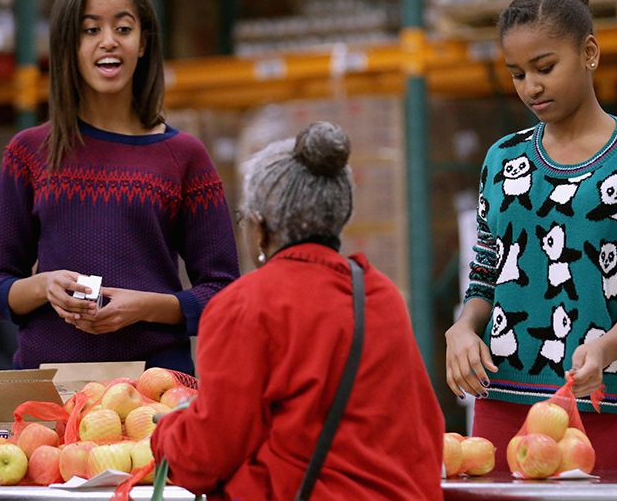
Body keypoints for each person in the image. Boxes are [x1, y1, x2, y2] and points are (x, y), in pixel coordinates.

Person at [445, 0, 617, 474]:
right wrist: (463, 327)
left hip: (609, 409)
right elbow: (487, 272)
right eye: (516, 73)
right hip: (502, 409)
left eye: (544, 67)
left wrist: (604, 347)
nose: (531, 86)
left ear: (590, 52)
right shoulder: (503, 159)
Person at [151, 122, 444, 500]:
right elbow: (422, 426)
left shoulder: (243, 305)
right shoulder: (379, 293)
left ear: (258, 228)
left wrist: (166, 433)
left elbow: (203, 456)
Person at [0, 0, 239, 373]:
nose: (108, 42)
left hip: (153, 391)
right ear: (68, 45)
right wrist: (45, 286)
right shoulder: (28, 152)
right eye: (90, 30)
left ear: (143, 43)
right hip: (49, 390)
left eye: (123, 28)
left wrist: (148, 307)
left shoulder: (184, 156)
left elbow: (225, 296)